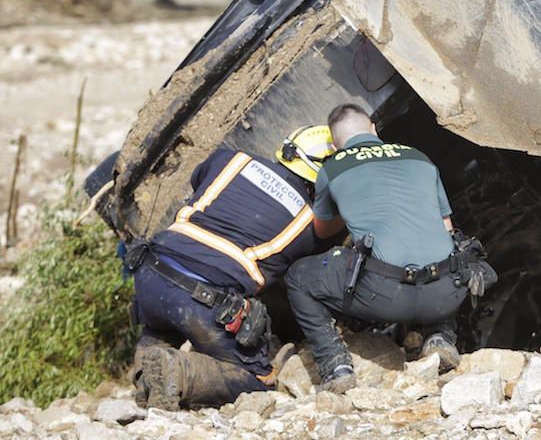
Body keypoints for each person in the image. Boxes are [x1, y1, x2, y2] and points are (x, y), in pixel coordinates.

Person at [285, 104, 495, 393]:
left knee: (298, 276)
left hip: (386, 298)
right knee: (441, 248)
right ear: (373, 128)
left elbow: (321, 231)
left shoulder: (332, 167)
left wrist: (353, 211)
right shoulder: (418, 157)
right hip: (447, 294)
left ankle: (335, 365)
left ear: (335, 144)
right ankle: (440, 337)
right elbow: (446, 227)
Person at [125, 126, 336, 410]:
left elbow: (198, 181)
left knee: (163, 321)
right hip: (202, 299)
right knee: (257, 379)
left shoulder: (231, 159)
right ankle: (181, 373)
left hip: (150, 272)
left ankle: (149, 365)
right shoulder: (306, 222)